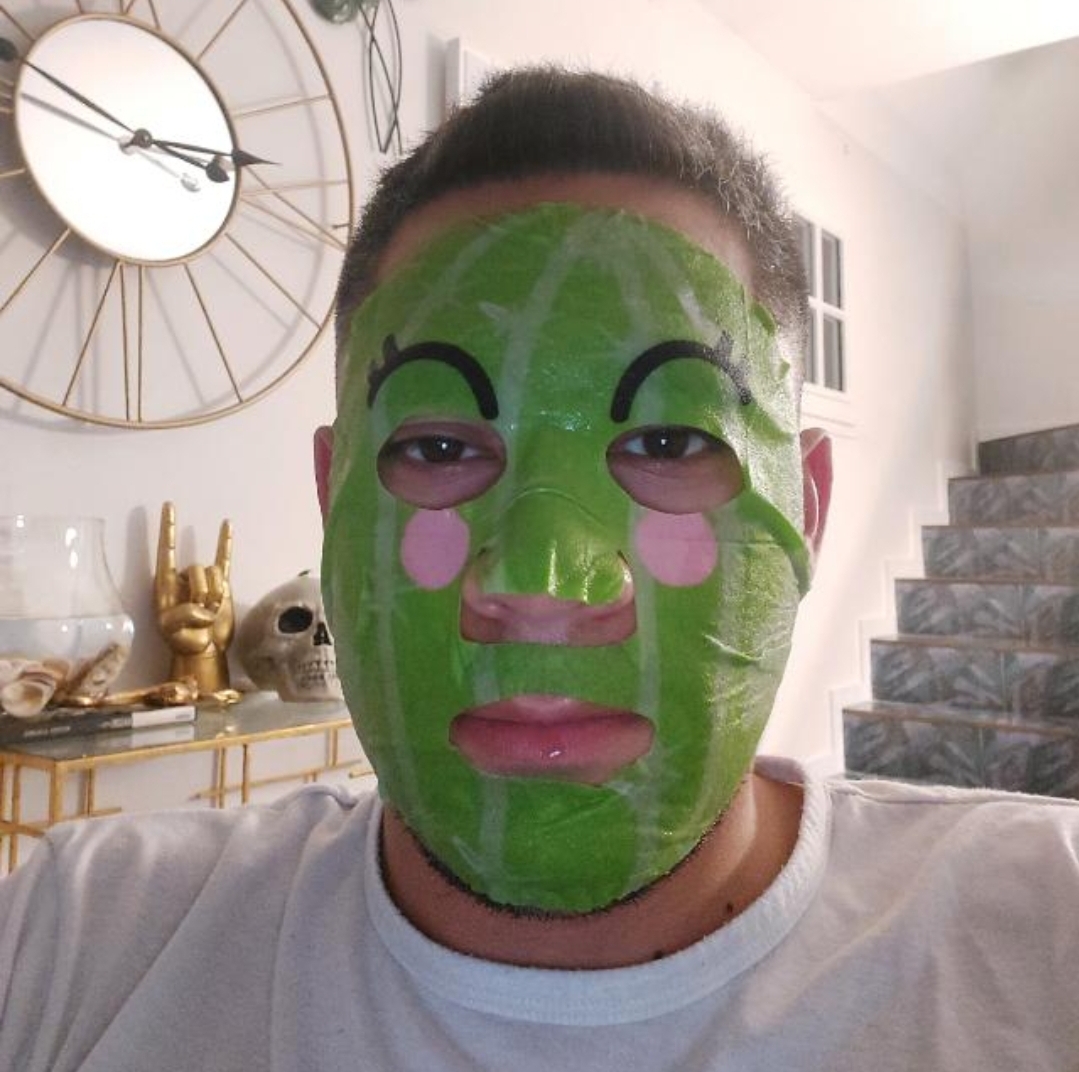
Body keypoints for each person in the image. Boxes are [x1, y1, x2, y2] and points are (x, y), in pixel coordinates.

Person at [1, 68, 1077, 1072]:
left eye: (666, 442)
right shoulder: (72, 939)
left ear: (805, 508)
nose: (542, 583)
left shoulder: (1041, 932)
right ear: (334, 503)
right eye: (437, 446)